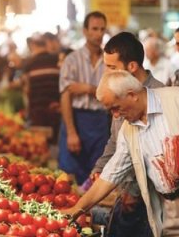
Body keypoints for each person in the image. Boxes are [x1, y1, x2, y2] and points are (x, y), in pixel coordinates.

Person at [64, 69, 179, 237]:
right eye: (111, 111)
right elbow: (111, 174)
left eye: (116, 108)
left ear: (132, 95)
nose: (116, 116)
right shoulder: (128, 130)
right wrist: (76, 209)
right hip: (169, 208)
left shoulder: (174, 99)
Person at [91, 31, 164, 237]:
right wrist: (100, 167)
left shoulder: (158, 97)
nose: (107, 73)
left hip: (151, 199)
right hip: (125, 190)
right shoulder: (117, 92)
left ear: (131, 66)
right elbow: (116, 141)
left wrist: (132, 190)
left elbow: (154, 155)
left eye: (112, 67)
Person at [58, 11, 110, 185]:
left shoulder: (109, 61)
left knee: (97, 175)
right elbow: (65, 96)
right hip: (76, 119)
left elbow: (112, 95)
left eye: (102, 29)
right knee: (70, 177)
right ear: (85, 31)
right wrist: (71, 132)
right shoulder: (72, 60)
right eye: (94, 29)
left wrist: (88, 89)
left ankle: (94, 213)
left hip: (101, 122)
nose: (99, 34)